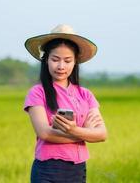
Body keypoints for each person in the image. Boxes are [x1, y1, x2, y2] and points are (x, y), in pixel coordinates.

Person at [23, 24, 107, 183]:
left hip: (77, 169)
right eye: (55, 59)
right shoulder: (37, 92)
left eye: (67, 60)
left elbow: (102, 134)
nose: (61, 66)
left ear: (75, 62)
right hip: (47, 170)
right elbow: (45, 133)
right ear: (46, 60)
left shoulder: (86, 95)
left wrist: (73, 130)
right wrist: (84, 132)